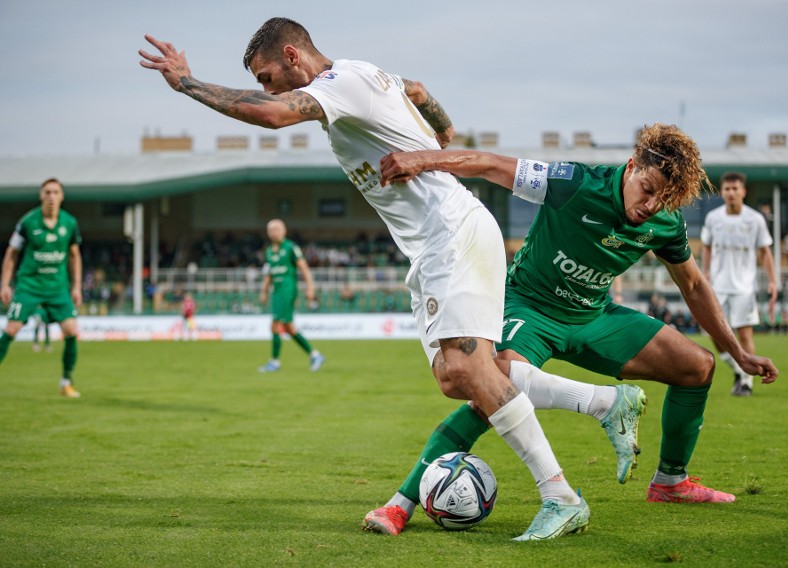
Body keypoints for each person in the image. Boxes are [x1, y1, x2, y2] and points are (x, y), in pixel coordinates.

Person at [140, 18, 608, 540]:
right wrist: (441, 133)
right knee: (456, 376)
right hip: (437, 242)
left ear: (293, 55)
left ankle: (560, 495)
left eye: (267, 75)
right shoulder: (364, 75)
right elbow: (420, 92)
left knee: (471, 372)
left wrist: (187, 83)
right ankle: (605, 404)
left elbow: (271, 115)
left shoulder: (341, 84)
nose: (267, 86)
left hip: (450, 231)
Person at [363, 123, 779, 535]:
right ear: (632, 166)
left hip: (594, 317)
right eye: (648, 189)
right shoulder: (575, 182)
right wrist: (422, 159)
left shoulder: (666, 224)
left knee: (698, 367)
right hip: (530, 308)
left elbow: (692, 285)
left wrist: (737, 354)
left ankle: (671, 482)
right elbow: (488, 164)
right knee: (492, 386)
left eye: (665, 198)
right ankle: (401, 505)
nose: (652, 205)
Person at [0, 178, 83, 398]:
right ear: (41, 195)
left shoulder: (70, 223)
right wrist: (5, 284)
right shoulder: (27, 222)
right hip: (29, 286)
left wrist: (76, 287)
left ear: (62, 196)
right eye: (47, 192)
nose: (52, 197)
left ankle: (66, 382)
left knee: (72, 331)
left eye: (56, 192)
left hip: (58, 288)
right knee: (11, 329)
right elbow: (11, 254)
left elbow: (75, 255)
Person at [701, 172, 778, 397]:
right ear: (722, 192)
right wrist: (705, 272)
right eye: (727, 189)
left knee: (744, 336)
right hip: (718, 286)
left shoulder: (755, 219)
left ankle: (746, 384)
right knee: (715, 334)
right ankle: (739, 368)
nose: (731, 193)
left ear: (743, 192)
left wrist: (772, 281)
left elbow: (765, 252)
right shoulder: (713, 218)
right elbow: (706, 246)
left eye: (735, 189)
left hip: (744, 287)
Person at [257, 219, 324, 373]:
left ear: (284, 231)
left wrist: (310, 289)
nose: (275, 232)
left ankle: (274, 362)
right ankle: (315, 355)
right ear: (268, 233)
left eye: (278, 229)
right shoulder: (268, 252)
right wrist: (263, 292)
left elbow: (304, 269)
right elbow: (268, 275)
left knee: (275, 324)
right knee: (288, 328)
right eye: (272, 229)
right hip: (277, 291)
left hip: (287, 290)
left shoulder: (291, 248)